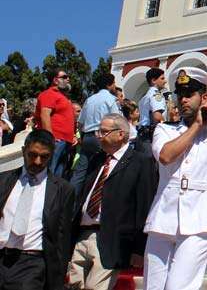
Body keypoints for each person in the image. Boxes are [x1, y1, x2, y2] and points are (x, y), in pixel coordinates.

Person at [143, 67, 207, 290]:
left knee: (179, 286)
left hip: (199, 217)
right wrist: (197, 125)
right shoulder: (165, 129)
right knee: (153, 286)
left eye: (189, 94)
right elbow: (166, 156)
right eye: (180, 95)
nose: (183, 100)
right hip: (164, 216)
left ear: (205, 97)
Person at [68, 113, 157, 290]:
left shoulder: (140, 162)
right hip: (83, 234)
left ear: (121, 134)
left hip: (112, 238)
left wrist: (139, 248)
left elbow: (144, 206)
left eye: (104, 132)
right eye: (98, 132)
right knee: (73, 285)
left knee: (95, 287)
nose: (98, 136)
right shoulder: (97, 160)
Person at [0, 129, 76, 290]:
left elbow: (62, 237)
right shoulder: (4, 180)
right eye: (32, 155)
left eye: (44, 156)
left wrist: (58, 278)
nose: (37, 161)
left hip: (32, 264)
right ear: (23, 151)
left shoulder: (62, 189)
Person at [71, 73, 120, 195]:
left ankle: (70, 199)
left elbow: (80, 123)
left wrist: (82, 137)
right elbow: (118, 120)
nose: (115, 86)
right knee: (101, 170)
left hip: (87, 137)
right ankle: (93, 198)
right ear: (109, 84)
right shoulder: (111, 99)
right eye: (114, 83)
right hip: (102, 137)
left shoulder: (89, 100)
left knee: (80, 172)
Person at [34, 69, 76, 177]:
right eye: (64, 77)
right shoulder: (49, 94)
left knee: (57, 176)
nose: (68, 79)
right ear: (55, 80)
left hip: (65, 141)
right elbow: (45, 115)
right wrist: (50, 137)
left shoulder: (62, 96)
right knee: (48, 173)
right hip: (56, 141)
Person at [138, 68, 167, 134]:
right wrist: (167, 128)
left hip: (143, 132)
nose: (165, 81)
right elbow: (157, 116)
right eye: (162, 78)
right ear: (153, 80)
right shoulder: (156, 94)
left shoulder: (145, 97)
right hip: (152, 132)